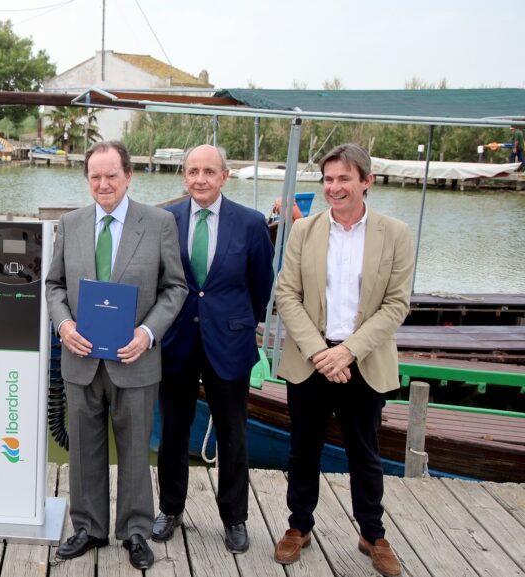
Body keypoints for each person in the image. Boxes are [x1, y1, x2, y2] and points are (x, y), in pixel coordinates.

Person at [45, 141, 187, 571]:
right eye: (95, 176)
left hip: (135, 359)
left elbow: (175, 288)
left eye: (111, 175)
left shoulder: (159, 223)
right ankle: (88, 527)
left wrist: (148, 333)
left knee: (135, 452)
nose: (103, 184)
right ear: (87, 179)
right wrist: (64, 325)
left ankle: (135, 530)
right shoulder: (70, 224)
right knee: (83, 452)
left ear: (128, 176)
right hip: (81, 358)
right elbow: (54, 285)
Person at [273, 143, 412, 577]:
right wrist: (320, 352)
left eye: (344, 179)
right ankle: (299, 526)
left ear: (367, 181)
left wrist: (348, 351)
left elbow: (396, 304)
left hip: (363, 361)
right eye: (329, 179)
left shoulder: (396, 234)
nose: (334, 187)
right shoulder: (304, 231)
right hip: (310, 359)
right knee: (303, 449)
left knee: (365, 452)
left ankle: (372, 533)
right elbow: (286, 295)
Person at [155, 144, 274, 552]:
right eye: (193, 171)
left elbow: (261, 288)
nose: (200, 179)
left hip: (230, 341)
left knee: (232, 434)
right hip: (178, 340)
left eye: (209, 171)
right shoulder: (166, 220)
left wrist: (236, 322)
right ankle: (170, 509)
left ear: (224, 176)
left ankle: (234, 518)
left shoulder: (251, 223)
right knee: (173, 431)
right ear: (184, 176)